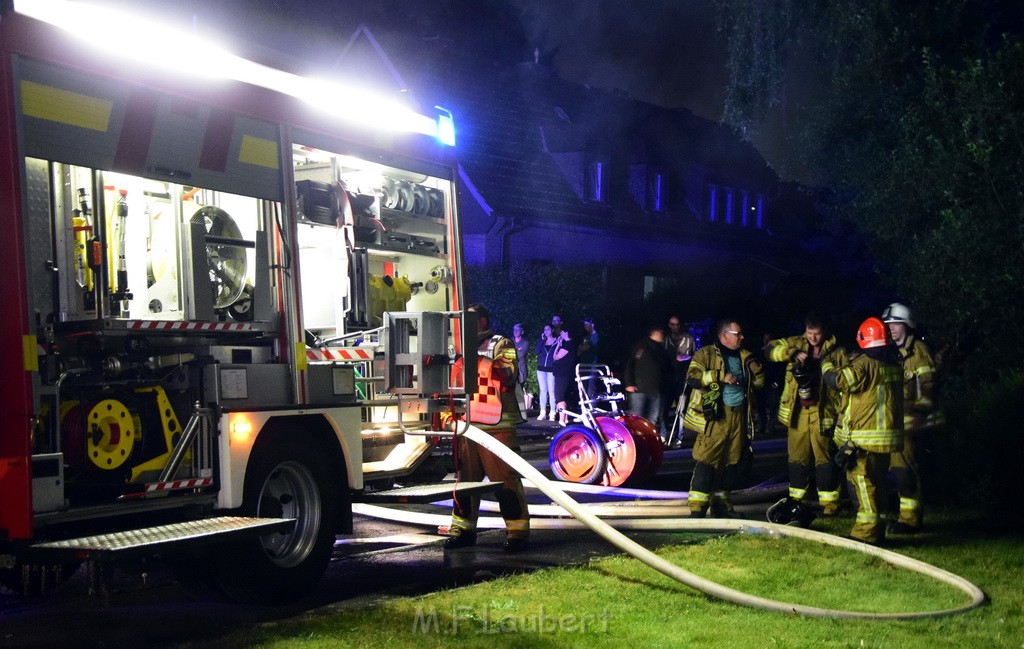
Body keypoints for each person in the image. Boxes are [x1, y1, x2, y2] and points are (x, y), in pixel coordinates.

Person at [443, 304, 530, 552]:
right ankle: (462, 531)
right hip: (467, 427)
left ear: (482, 321)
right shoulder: (459, 348)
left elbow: (507, 374)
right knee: (465, 482)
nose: (464, 324)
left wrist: (474, 360)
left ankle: (517, 534)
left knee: (505, 481)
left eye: (469, 319)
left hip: (497, 427)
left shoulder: (502, 344)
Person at [822, 317, 904, 545]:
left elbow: (840, 381)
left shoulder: (865, 364)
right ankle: (879, 528)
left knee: (863, 484)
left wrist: (826, 366)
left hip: (863, 440)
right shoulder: (892, 363)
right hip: (885, 439)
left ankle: (866, 533)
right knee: (878, 483)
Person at [764, 314, 846, 516]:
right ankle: (797, 502)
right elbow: (768, 350)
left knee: (824, 458)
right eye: (809, 333)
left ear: (824, 331)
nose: (813, 339)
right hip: (798, 412)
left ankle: (830, 506)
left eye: (817, 334)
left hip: (823, 411)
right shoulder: (796, 342)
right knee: (797, 458)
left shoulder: (837, 352)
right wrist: (791, 353)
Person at [682, 319, 764, 517]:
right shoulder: (706, 354)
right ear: (724, 335)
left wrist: (758, 371)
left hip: (739, 415)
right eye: (738, 334)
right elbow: (692, 377)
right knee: (707, 460)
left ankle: (722, 505)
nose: (742, 337)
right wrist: (720, 375)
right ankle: (697, 509)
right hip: (716, 417)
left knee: (732, 462)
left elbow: (758, 385)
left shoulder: (745, 356)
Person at [881, 302, 937, 534]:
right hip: (894, 426)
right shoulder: (895, 354)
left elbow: (929, 389)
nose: (891, 329)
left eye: (895, 324)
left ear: (907, 325)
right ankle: (902, 516)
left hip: (910, 426)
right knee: (897, 472)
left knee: (905, 472)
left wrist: (918, 413)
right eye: (889, 325)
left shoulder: (919, 353)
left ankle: (911, 520)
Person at [623, 325, 670, 430]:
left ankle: (648, 440)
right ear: (654, 332)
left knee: (652, 419)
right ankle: (635, 439)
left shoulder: (661, 349)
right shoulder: (641, 346)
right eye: (660, 332)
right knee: (636, 417)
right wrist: (629, 383)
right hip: (640, 389)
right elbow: (630, 364)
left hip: (656, 389)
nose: (662, 334)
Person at [663, 316, 695, 436]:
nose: (675, 327)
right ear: (669, 325)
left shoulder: (689, 339)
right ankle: (664, 435)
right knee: (664, 409)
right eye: (673, 324)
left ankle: (679, 435)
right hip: (668, 379)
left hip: (682, 379)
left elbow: (694, 356)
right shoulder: (665, 340)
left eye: (677, 324)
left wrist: (684, 358)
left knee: (681, 409)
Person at [552, 328, 577, 425]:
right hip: (563, 374)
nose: (560, 333)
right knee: (563, 396)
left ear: (566, 332)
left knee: (559, 396)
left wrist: (558, 345)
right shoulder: (568, 344)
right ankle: (565, 418)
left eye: (562, 331)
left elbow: (556, 357)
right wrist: (558, 344)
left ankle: (562, 419)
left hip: (563, 375)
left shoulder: (568, 344)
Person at [534, 325, 558, 422]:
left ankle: (552, 412)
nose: (546, 331)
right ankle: (542, 412)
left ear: (552, 330)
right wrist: (541, 339)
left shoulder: (557, 341)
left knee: (552, 391)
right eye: (544, 329)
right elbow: (536, 351)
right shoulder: (543, 341)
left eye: (548, 329)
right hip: (541, 369)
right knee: (543, 390)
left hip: (551, 369)